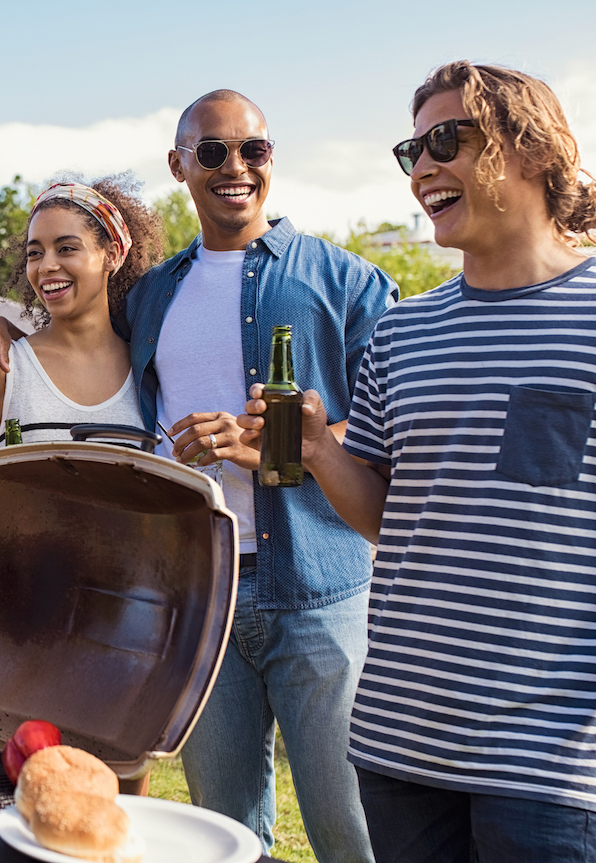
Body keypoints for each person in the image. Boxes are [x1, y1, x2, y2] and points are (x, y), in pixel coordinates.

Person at [0, 91, 396, 861]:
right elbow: (77, 323)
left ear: (270, 158)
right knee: (220, 829)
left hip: (320, 590)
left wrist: (297, 439)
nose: (235, 168)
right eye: (213, 152)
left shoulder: (344, 279)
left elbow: (392, 424)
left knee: (349, 825)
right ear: (179, 165)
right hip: (199, 595)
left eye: (252, 150)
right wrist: (1, 323)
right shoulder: (156, 295)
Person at [241, 62, 596, 863]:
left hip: (548, 755)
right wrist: (321, 446)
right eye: (413, 151)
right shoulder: (405, 333)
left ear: (535, 150)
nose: (423, 168)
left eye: (447, 139)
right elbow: (383, 512)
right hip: (401, 742)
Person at [0, 176, 161, 520]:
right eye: (35, 252)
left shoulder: (149, 369)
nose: (46, 265)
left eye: (66, 248)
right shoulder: (0, 369)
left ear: (112, 255)